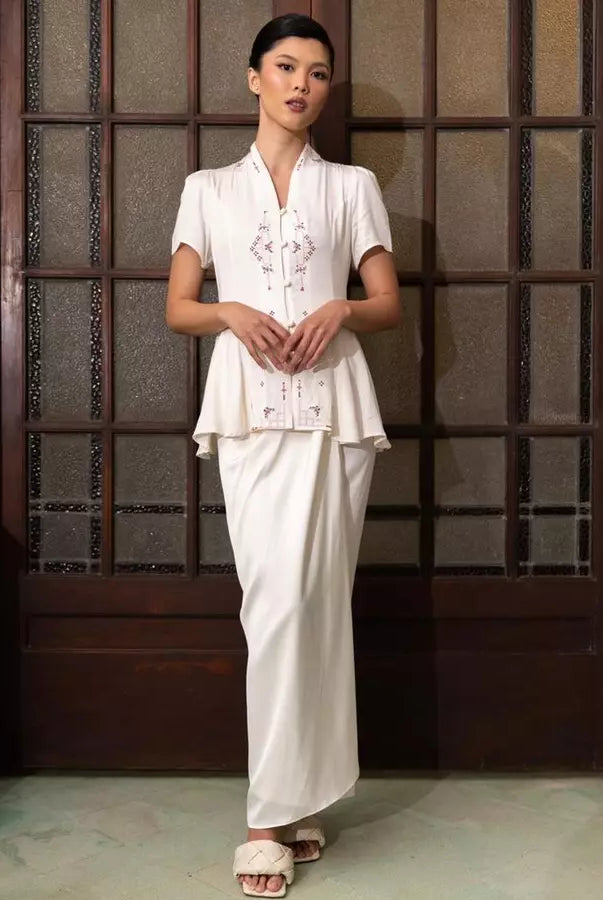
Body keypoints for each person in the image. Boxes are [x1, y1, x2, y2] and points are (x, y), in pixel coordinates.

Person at [166, 13, 400, 897]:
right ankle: (270, 812)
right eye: (285, 66)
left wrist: (340, 309)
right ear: (254, 77)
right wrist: (230, 312)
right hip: (250, 413)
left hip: (334, 411)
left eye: (317, 73)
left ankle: (290, 804)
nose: (302, 83)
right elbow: (179, 306)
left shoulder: (352, 186)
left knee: (315, 603)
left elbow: (385, 304)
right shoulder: (207, 189)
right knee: (272, 601)